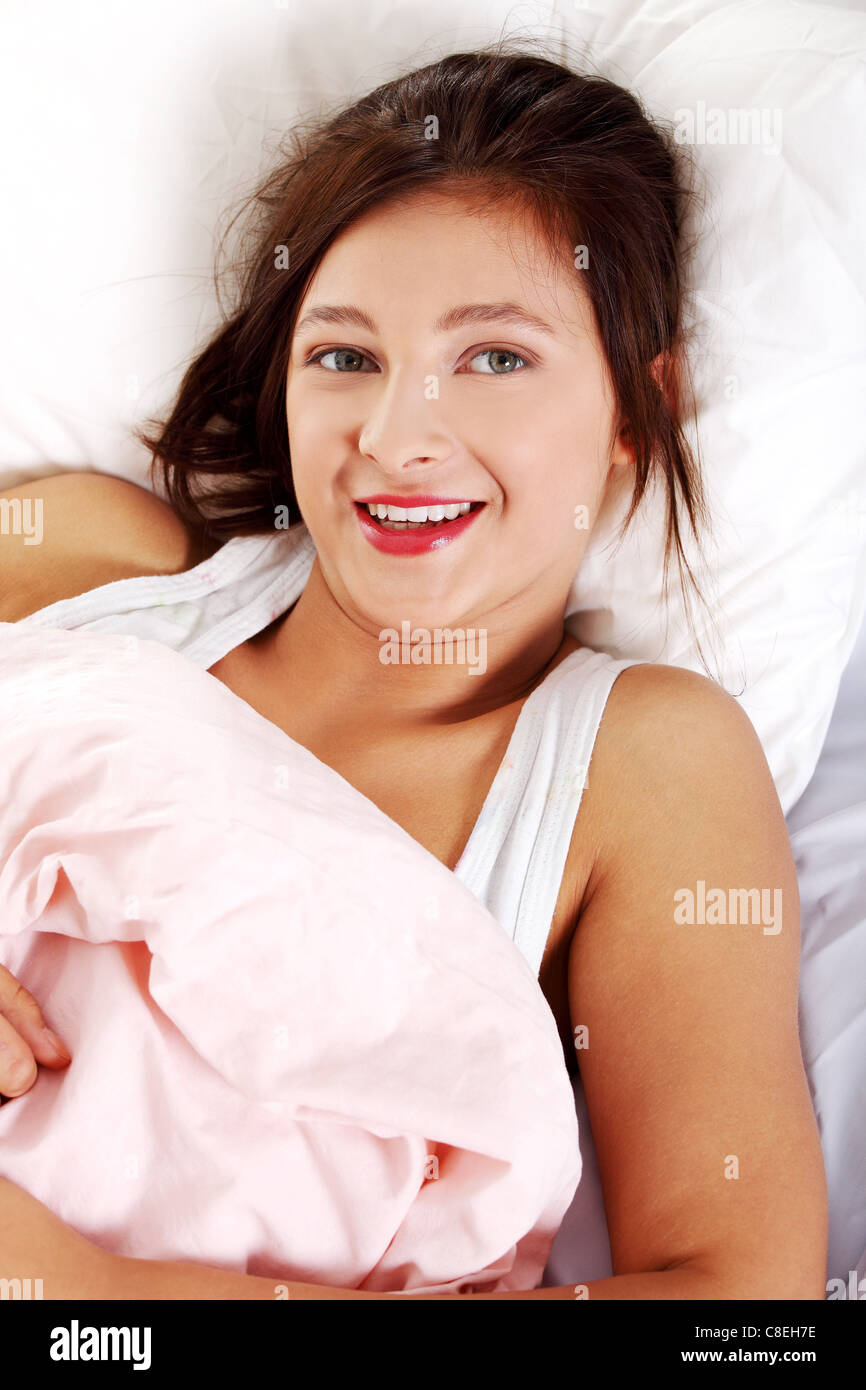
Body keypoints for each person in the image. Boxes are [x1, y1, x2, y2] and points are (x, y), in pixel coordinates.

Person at [0, 41, 827, 1299]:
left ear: (630, 407)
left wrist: (82, 1293)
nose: (397, 438)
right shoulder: (94, 562)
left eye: (494, 358)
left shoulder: (640, 763)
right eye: (345, 357)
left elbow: (734, 1308)